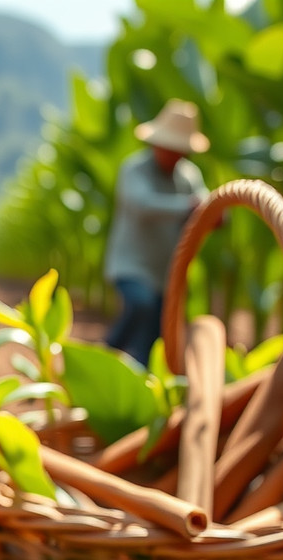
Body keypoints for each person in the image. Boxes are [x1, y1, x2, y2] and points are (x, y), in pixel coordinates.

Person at [104, 99, 209, 364]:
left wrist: (213, 215)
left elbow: (206, 204)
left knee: (154, 339)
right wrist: (188, 206)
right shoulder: (134, 170)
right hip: (131, 266)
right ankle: (105, 354)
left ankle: (141, 386)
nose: (173, 155)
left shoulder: (189, 177)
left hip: (165, 273)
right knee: (141, 304)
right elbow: (143, 205)